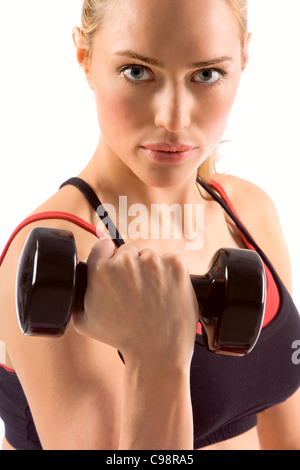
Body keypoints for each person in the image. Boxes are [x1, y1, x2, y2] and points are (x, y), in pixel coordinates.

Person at [0, 0, 299, 451]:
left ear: (243, 59)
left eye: (206, 74)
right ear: (84, 56)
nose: (173, 120)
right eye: (138, 71)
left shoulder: (248, 211)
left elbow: (287, 437)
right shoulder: (57, 255)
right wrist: (157, 361)